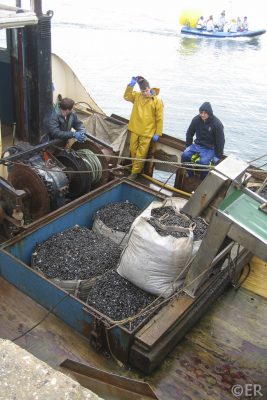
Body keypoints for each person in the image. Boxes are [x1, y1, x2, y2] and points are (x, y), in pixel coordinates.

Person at [124, 76, 164, 180]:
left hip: (147, 132)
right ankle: (135, 168)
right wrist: (131, 86)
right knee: (132, 150)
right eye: (142, 91)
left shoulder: (157, 101)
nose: (145, 93)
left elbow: (160, 118)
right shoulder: (137, 96)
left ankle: (134, 172)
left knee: (141, 154)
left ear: (149, 88)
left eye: (146, 91)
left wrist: (158, 133)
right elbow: (127, 97)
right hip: (135, 129)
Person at [181, 102, 225, 178]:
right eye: (201, 112)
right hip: (197, 145)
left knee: (203, 162)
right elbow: (189, 133)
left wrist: (218, 156)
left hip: (210, 148)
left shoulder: (217, 124)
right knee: (184, 155)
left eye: (205, 113)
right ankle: (190, 174)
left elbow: (220, 141)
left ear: (209, 113)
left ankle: (203, 179)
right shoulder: (196, 120)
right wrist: (188, 146)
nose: (202, 115)